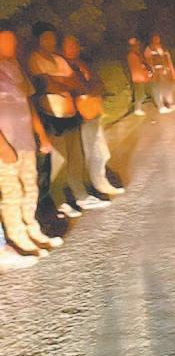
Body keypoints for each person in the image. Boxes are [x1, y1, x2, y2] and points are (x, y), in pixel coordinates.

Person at [27, 22, 106, 218]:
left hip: (70, 115)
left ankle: (80, 195)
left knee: (75, 157)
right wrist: (61, 82)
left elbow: (76, 82)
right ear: (38, 40)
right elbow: (46, 85)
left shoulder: (59, 59)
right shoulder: (35, 59)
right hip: (52, 117)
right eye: (46, 38)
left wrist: (60, 82)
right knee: (59, 161)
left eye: (52, 37)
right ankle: (59, 200)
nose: (51, 41)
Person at [0, 27, 62, 258]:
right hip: (6, 145)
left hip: (25, 140)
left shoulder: (15, 68)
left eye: (13, 41)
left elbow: (28, 104)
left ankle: (32, 229)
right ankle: (17, 235)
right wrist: (2, 146)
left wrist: (41, 135)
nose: (11, 46)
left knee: (31, 187)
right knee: (12, 191)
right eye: (5, 42)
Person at [63, 35, 124, 197]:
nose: (73, 49)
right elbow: (75, 87)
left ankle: (100, 182)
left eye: (75, 45)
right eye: (69, 45)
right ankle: (97, 184)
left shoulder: (82, 64)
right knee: (91, 151)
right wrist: (87, 92)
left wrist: (93, 91)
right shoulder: (64, 66)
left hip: (92, 111)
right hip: (81, 114)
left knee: (100, 149)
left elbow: (97, 83)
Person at [144, 34, 175, 113]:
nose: (157, 39)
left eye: (158, 38)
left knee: (167, 87)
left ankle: (170, 104)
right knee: (157, 89)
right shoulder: (149, 48)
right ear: (152, 39)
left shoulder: (163, 48)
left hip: (164, 72)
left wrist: (168, 69)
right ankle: (161, 106)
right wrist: (151, 70)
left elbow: (167, 59)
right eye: (155, 38)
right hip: (156, 73)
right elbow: (147, 60)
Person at [126, 37, 152, 116]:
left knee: (141, 92)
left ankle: (138, 107)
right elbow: (137, 66)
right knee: (139, 93)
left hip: (140, 76)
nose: (138, 46)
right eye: (136, 45)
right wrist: (145, 71)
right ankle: (137, 109)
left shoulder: (136, 54)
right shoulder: (132, 55)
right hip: (138, 77)